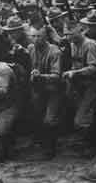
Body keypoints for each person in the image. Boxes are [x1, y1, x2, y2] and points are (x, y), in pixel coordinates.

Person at [62, 21, 96, 158]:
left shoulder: (90, 45)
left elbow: (94, 68)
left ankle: (91, 147)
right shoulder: (73, 43)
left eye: (70, 34)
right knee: (87, 114)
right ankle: (95, 141)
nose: (67, 37)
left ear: (80, 31)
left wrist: (76, 73)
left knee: (81, 119)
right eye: (65, 34)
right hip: (79, 85)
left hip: (92, 85)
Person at [28, 25, 62, 160]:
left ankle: (51, 149)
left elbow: (57, 76)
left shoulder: (55, 52)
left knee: (49, 119)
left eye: (39, 36)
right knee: (38, 116)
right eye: (33, 36)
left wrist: (40, 76)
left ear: (46, 37)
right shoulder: (31, 49)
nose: (36, 39)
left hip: (53, 90)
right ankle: (43, 143)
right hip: (38, 90)